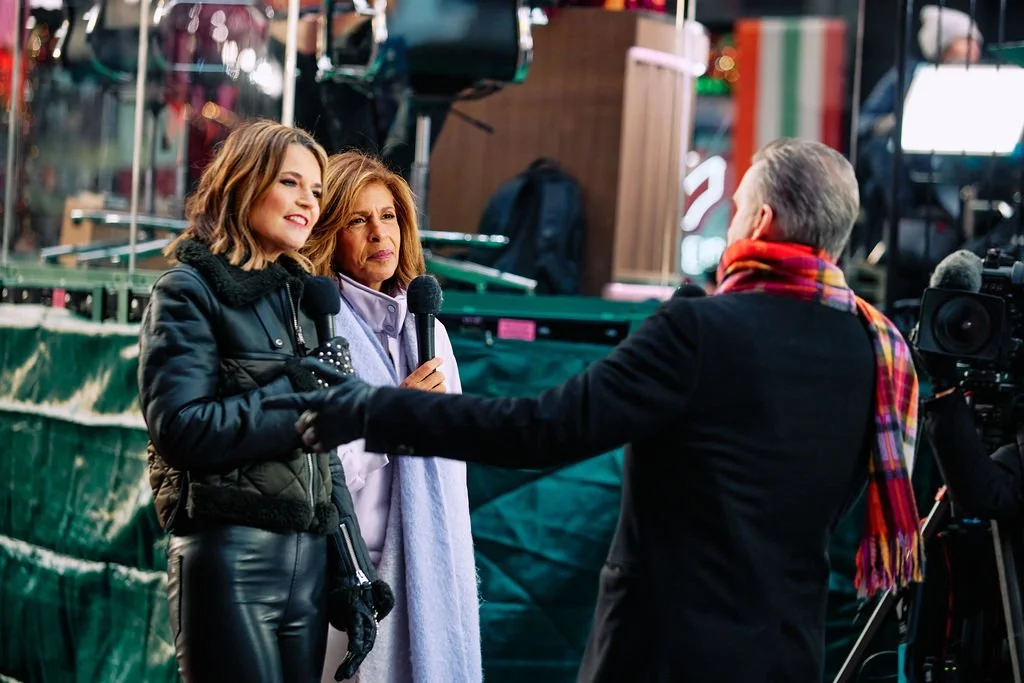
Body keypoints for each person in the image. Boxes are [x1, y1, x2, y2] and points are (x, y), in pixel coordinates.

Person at [266, 138, 925, 682]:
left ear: (760, 222)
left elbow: (544, 428)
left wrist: (374, 411)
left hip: (664, 654)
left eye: (736, 207)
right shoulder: (876, 350)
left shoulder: (699, 330)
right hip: (788, 655)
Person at [137, 120, 391, 683]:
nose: (308, 202)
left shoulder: (301, 299)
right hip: (230, 559)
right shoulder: (187, 290)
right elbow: (180, 429)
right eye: (290, 182)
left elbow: (323, 453)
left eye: (316, 190)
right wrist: (296, 392)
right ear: (245, 184)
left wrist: (353, 571)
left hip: (306, 568)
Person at [300, 150, 481, 683]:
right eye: (358, 220)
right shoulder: (318, 329)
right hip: (351, 580)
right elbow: (314, 468)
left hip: (434, 568)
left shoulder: (431, 332)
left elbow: (454, 471)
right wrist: (388, 420)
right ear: (330, 235)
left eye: (388, 217)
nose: (380, 233)